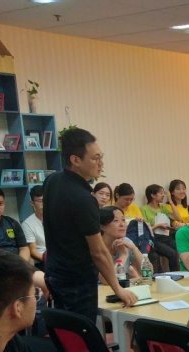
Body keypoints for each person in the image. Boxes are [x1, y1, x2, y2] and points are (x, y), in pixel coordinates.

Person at [43, 128, 137, 318]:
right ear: (75, 160)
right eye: (95, 158)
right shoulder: (84, 198)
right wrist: (118, 288)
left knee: (64, 329)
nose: (101, 164)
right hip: (77, 281)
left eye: (101, 157)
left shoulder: (52, 180)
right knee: (80, 333)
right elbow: (98, 251)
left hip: (54, 272)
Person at [141, 183, 180, 272]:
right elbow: (146, 229)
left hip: (166, 237)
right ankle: (175, 274)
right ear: (153, 195)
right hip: (154, 238)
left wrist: (170, 200)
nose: (163, 195)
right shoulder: (144, 209)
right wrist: (158, 225)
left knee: (180, 249)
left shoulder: (162, 207)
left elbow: (177, 217)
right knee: (172, 254)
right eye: (161, 193)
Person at [99, 206, 144, 280]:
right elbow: (106, 280)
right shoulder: (96, 246)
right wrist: (123, 255)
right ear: (103, 227)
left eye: (123, 220)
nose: (122, 225)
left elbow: (148, 272)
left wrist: (134, 249)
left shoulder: (126, 242)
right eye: (116, 221)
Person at [21, 186, 46, 270]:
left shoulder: (57, 218)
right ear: (32, 203)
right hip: (43, 261)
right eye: (39, 201)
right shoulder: (27, 224)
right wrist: (50, 260)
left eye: (45, 200)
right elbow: (33, 252)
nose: (43, 203)